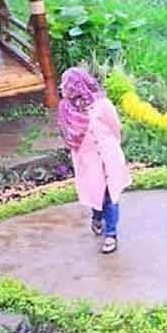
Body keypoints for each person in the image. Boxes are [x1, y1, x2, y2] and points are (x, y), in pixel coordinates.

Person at [57, 67, 131, 254]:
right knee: (95, 193)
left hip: (109, 155)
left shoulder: (102, 104)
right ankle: (97, 218)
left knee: (110, 195)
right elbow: (68, 137)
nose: (65, 88)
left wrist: (111, 147)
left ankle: (111, 235)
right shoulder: (66, 109)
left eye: (68, 85)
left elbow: (115, 128)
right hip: (87, 160)